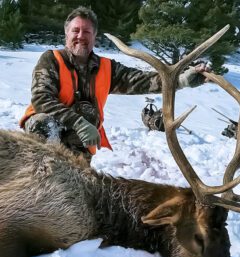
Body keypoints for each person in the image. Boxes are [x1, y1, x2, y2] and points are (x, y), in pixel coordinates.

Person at [20, 6, 210, 162]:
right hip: (47, 135)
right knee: (43, 123)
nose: (80, 36)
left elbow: (142, 80)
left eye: (87, 31)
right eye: (75, 30)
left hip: (81, 140)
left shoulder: (107, 68)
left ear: (94, 36)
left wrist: (181, 80)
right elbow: (41, 99)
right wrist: (77, 122)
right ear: (66, 34)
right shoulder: (51, 59)